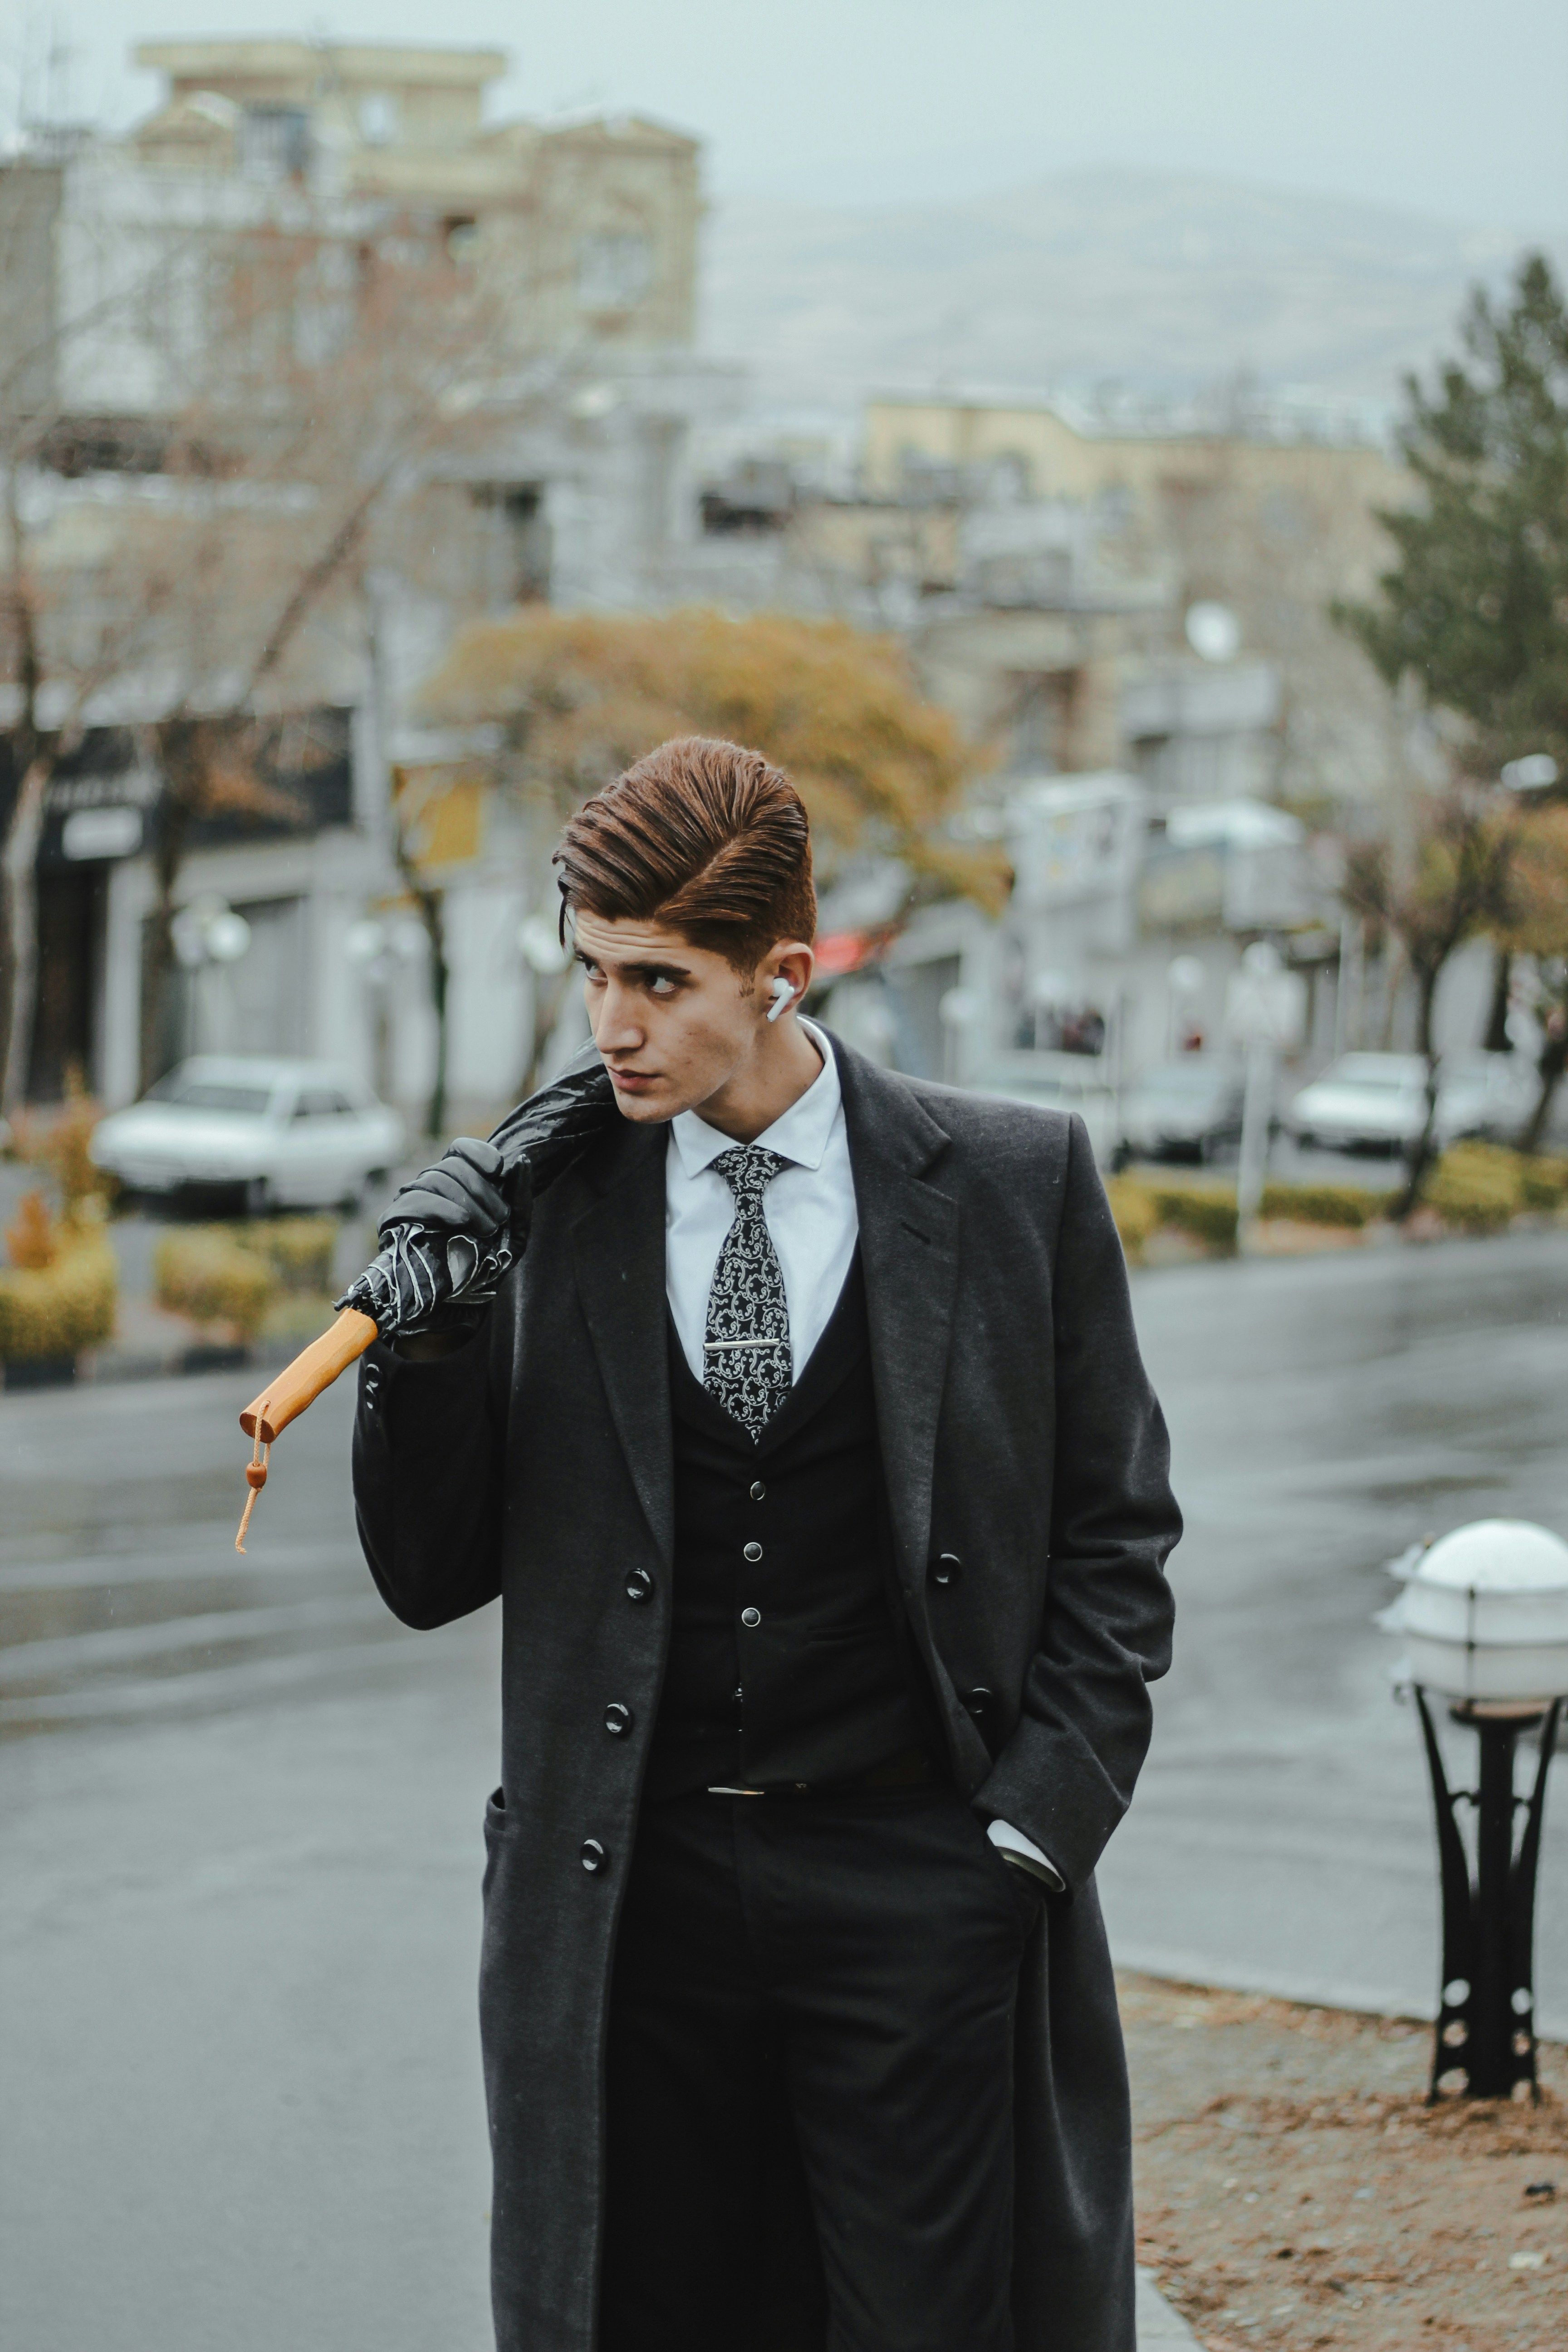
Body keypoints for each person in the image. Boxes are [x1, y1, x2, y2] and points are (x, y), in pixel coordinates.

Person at [353, 735, 1180, 2352]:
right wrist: (431, 1344)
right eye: (590, 971)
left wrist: (1024, 1844)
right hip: (629, 1903)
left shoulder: (1014, 1183)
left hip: (916, 1883)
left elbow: (1117, 1534)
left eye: (657, 980)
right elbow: (430, 1572)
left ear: (784, 975)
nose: (610, 1025)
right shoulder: (545, 1206)